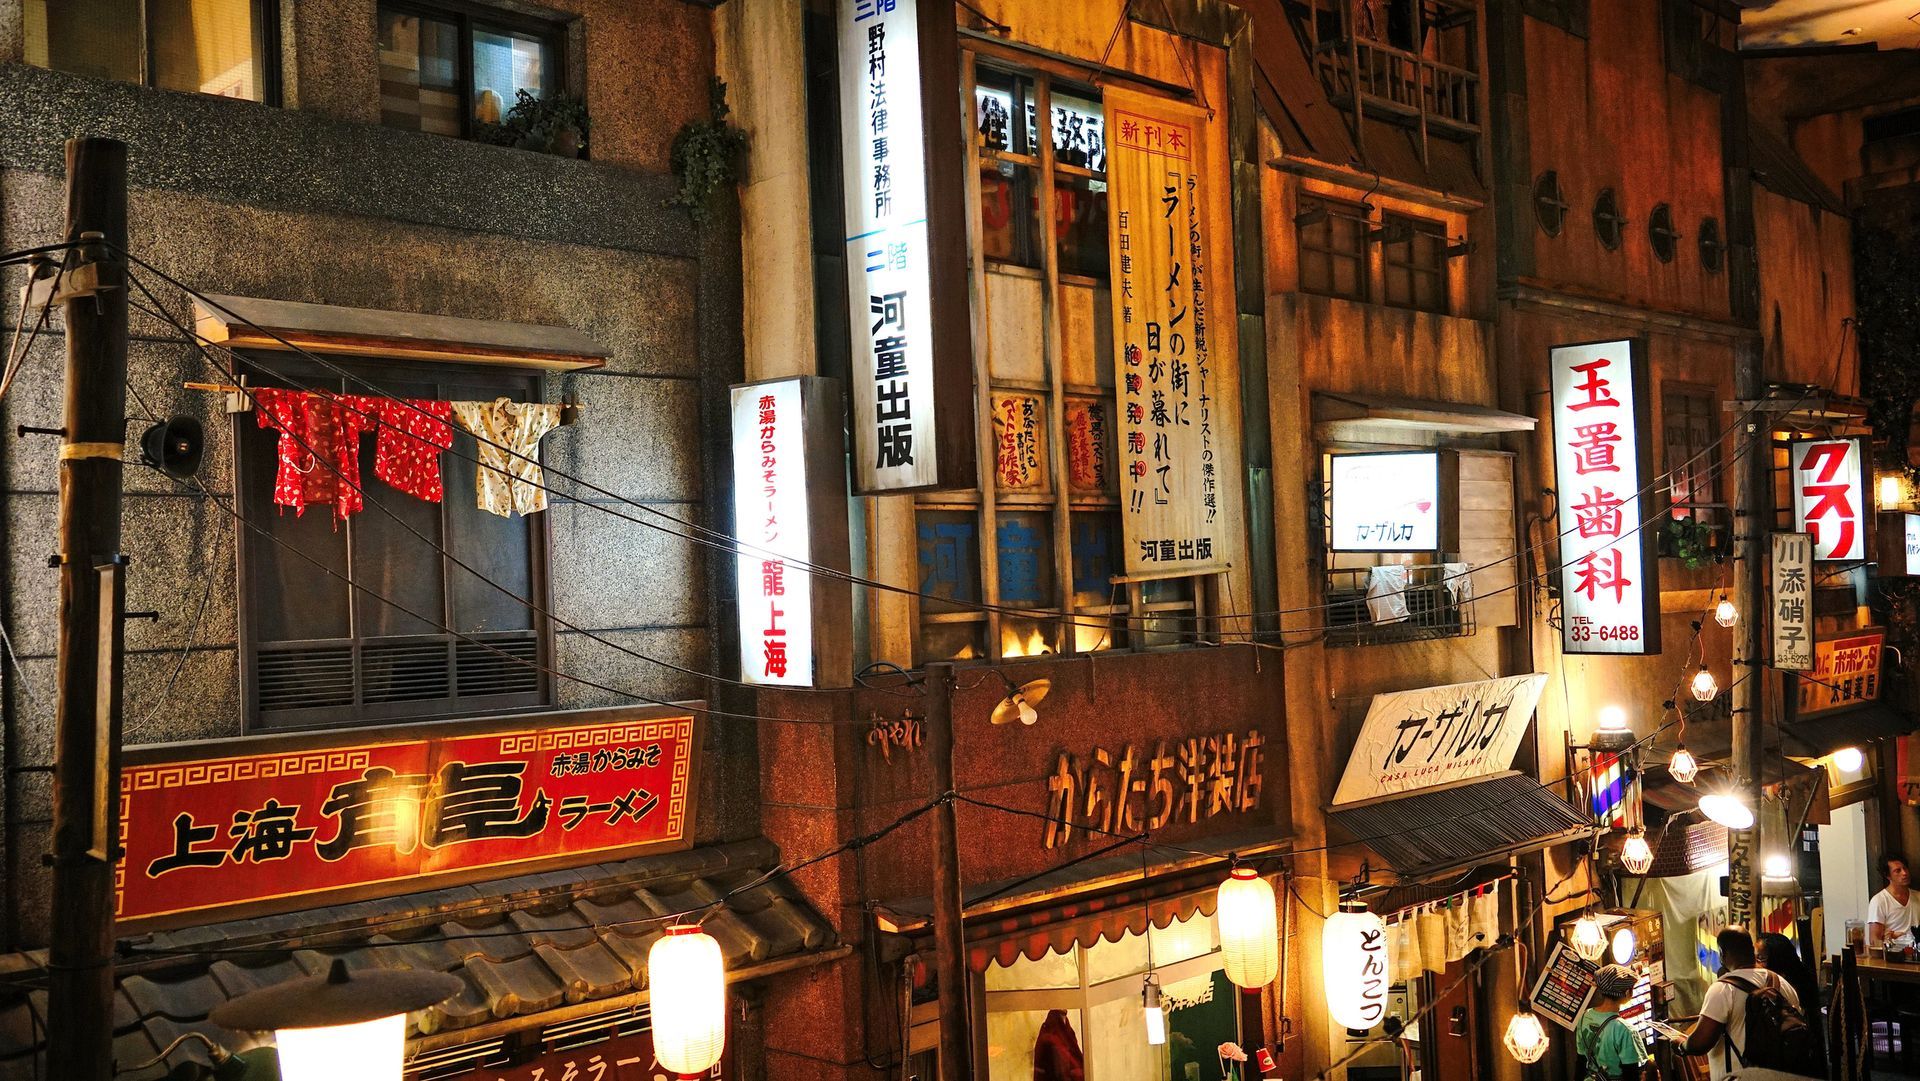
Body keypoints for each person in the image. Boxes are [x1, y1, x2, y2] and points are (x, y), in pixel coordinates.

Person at [1685, 927, 1803, 1081]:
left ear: (1722, 953)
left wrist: (1682, 1045)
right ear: (1751, 949)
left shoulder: (1722, 990)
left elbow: (1700, 1043)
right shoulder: (1781, 984)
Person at [1757, 932, 1827, 1069]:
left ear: (1777, 960)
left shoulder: (1785, 985)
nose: (1755, 963)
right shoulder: (1797, 975)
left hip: (1793, 1055)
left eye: (1760, 958)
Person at [1577, 964, 1649, 1081]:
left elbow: (1580, 1061)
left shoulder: (1585, 1016)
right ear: (1626, 993)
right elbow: (1631, 1075)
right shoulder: (1626, 1031)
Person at [1869, 853, 1920, 949]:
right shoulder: (1879, 900)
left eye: (1905, 868)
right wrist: (1888, 939)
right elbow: (1874, 940)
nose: (1904, 873)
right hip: (1893, 954)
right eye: (1898, 871)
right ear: (1888, 876)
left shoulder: (1918, 896)